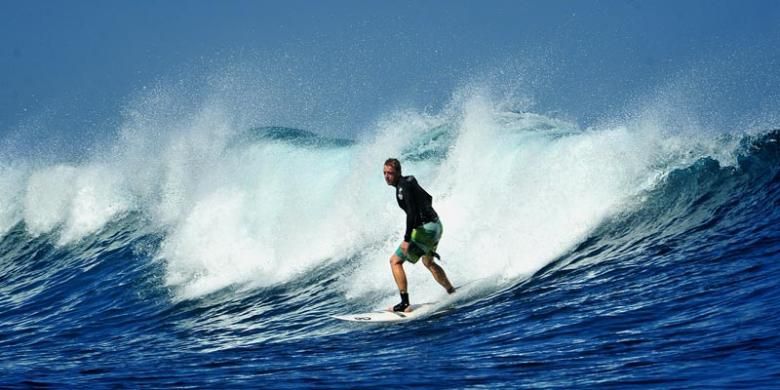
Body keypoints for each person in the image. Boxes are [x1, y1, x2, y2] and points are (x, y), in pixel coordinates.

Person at [383, 158, 455, 312]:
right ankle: (451, 291)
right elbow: (429, 198)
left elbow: (412, 213)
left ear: (398, 173)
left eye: (390, 173)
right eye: (384, 173)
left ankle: (404, 303)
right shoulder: (410, 180)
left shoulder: (402, 189)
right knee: (428, 262)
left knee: (395, 261)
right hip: (436, 225)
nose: (387, 176)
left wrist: (407, 239)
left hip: (425, 231)